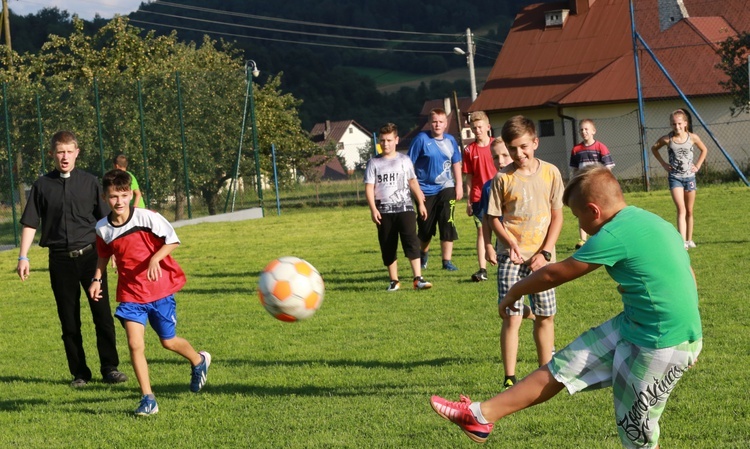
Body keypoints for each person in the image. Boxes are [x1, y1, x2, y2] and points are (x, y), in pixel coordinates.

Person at [430, 165, 703, 448]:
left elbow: (554, 273)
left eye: (576, 216)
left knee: (636, 432)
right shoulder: (653, 221)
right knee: (562, 366)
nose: (578, 224)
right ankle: (480, 416)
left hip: (659, 342)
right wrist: (691, 331)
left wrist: (514, 293)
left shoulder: (613, 234)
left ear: (593, 211)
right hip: (638, 325)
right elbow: (688, 273)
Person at [88, 169, 211, 416]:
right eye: (113, 196)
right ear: (105, 198)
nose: (119, 201)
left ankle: (199, 361)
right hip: (130, 295)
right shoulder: (102, 228)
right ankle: (148, 398)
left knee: (168, 341)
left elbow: (173, 240)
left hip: (159, 290)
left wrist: (155, 258)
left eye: (123, 195)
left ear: (129, 194)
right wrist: (96, 279)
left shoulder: (147, 217)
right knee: (135, 345)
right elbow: (103, 255)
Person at [16, 130, 127, 388]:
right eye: (60, 152)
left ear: (77, 152)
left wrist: (112, 252)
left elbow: (105, 222)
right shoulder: (42, 186)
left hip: (91, 258)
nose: (64, 157)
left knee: (102, 315)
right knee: (69, 319)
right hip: (60, 261)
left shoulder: (90, 183)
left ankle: (110, 367)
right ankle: (79, 373)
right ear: (52, 154)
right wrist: (23, 256)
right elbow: (31, 223)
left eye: (69, 151)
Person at [484, 116, 564, 389]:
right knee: (511, 314)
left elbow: (557, 217)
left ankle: (545, 374)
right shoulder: (502, 178)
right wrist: (509, 243)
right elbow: (494, 217)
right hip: (511, 257)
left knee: (545, 315)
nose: (519, 154)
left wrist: (547, 253)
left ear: (535, 143)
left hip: (541, 258)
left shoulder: (551, 173)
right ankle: (509, 377)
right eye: (513, 148)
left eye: (523, 147)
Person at [364, 123, 432, 291]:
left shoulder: (404, 160)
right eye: (382, 141)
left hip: (405, 209)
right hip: (384, 211)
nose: (385, 144)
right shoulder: (374, 163)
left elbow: (412, 181)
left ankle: (418, 278)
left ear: (396, 140)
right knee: (388, 245)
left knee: (411, 242)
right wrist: (373, 209)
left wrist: (421, 203)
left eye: (388, 140)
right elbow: (369, 188)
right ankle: (394, 280)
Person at [408, 108, 463, 271]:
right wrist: (415, 189)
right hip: (424, 190)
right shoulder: (421, 139)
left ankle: (447, 262)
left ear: (446, 124)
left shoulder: (451, 140)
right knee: (425, 228)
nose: (437, 125)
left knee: (447, 222)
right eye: (434, 121)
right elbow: (408, 165)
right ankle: (423, 254)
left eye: (440, 122)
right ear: (429, 123)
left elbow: (456, 163)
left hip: (447, 187)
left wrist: (459, 185)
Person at [651, 109, 708, 250]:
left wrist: (698, 165)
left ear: (685, 123)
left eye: (679, 124)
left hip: (689, 177)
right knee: (681, 209)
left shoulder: (693, 137)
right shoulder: (667, 139)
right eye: (673, 124)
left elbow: (704, 150)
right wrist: (664, 164)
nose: (676, 127)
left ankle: (689, 240)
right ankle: (682, 242)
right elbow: (654, 148)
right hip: (675, 178)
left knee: (689, 210)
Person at [462, 111, 498, 282]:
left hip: (499, 193)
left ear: (488, 127)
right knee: (482, 232)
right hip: (478, 197)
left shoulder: (497, 145)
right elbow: (469, 176)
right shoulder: (469, 150)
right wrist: (468, 200)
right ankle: (482, 269)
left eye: (480, 127)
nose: (477, 130)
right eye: (474, 128)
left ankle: (509, 261)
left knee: (505, 228)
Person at [569, 118, 615, 249]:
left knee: (601, 211)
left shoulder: (601, 147)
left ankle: (603, 237)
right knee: (582, 211)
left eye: (586, 129)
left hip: (598, 186)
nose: (584, 132)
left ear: (593, 131)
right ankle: (582, 240)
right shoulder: (576, 150)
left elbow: (608, 167)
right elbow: (575, 169)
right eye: (581, 129)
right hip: (583, 186)